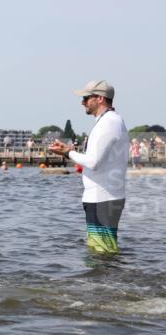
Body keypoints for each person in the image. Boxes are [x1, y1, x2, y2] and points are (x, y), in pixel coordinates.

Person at [49, 80, 129, 254]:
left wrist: (68, 152)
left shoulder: (108, 122)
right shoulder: (111, 121)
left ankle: (105, 280)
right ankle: (110, 280)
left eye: (86, 98)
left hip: (102, 198)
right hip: (104, 196)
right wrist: (68, 151)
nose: (82, 102)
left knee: (101, 253)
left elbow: (93, 162)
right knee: (102, 250)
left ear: (100, 99)